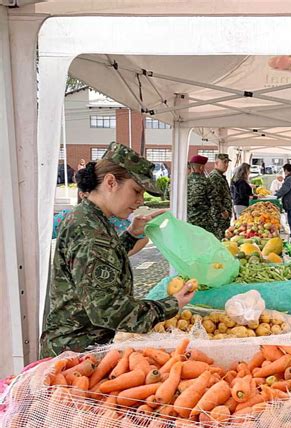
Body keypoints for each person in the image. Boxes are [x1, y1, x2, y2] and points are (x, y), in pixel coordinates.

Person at [41, 142, 195, 357]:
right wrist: (171, 304)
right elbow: (109, 310)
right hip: (76, 353)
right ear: (111, 182)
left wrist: (131, 235)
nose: (140, 201)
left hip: (79, 345)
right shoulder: (89, 232)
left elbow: (104, 261)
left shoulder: (90, 218)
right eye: (136, 191)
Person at [52, 172, 149, 257]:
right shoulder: (73, 219)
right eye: (136, 191)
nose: (141, 201)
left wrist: (133, 234)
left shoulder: (120, 219)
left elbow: (110, 256)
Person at [187, 155, 216, 234]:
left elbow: (167, 196)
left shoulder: (182, 181)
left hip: (185, 221)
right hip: (203, 221)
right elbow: (215, 201)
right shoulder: (206, 182)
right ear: (201, 168)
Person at [208, 154, 233, 240]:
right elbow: (213, 197)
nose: (226, 165)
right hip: (218, 216)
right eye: (224, 162)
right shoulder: (215, 177)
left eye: (227, 162)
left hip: (222, 216)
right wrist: (223, 210)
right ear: (216, 163)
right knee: (219, 239)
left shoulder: (220, 176)